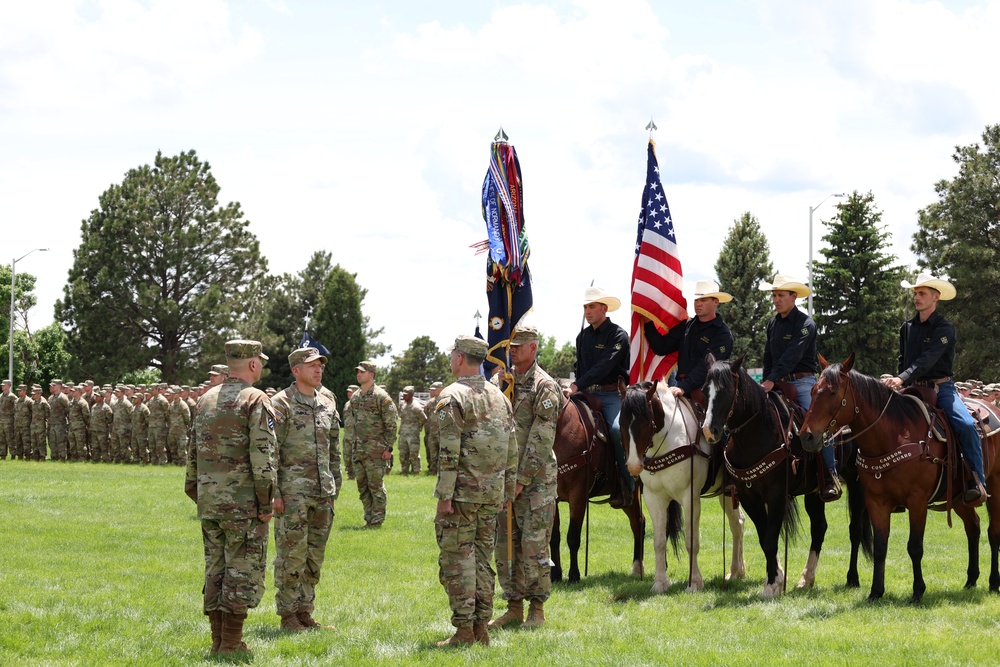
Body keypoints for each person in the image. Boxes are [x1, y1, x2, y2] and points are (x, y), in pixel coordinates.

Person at [184, 340, 275, 655]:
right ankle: (231, 644)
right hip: (242, 503)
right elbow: (262, 458)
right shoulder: (255, 399)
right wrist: (266, 503)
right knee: (241, 570)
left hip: (210, 501)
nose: (261, 366)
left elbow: (193, 453)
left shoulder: (205, 399)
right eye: (259, 361)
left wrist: (197, 492)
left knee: (216, 569)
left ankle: (219, 642)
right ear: (252, 364)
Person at [433, 335, 516, 647]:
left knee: (457, 561)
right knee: (481, 560)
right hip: (491, 495)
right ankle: (481, 627)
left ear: (458, 358)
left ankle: (465, 631)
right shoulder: (500, 397)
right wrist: (506, 491)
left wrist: (444, 495)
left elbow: (448, 452)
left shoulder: (452, 395)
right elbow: (512, 450)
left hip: (462, 497)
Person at [882, 273, 987, 504]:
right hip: (911, 388)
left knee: (967, 425)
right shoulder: (906, 327)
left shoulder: (945, 328)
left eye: (922, 293)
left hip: (941, 389)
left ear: (935, 297)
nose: (917, 298)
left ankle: (976, 480)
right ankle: (889, 483)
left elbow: (927, 360)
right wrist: (900, 380)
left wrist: (901, 378)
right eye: (915, 293)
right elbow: (903, 359)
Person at [489, 326, 560, 631]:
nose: (513, 350)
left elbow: (542, 439)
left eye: (519, 346)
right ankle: (513, 606)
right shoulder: (502, 382)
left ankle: (537, 608)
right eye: (511, 345)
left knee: (533, 546)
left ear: (533, 347)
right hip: (504, 479)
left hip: (536, 481)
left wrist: (520, 480)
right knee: (507, 545)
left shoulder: (545, 386)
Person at [270, 347, 341, 632]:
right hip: (292, 493)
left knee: (314, 556)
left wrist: (335, 485)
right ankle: (288, 615)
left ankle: (304, 611)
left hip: (323, 491)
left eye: (320, 365)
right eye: (312, 365)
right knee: (292, 555)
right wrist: (274, 492)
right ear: (296, 370)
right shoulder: (281, 403)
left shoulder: (328, 400)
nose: (319, 369)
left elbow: (333, 447)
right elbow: (271, 451)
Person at [759, 274, 839, 501]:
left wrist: (772, 380)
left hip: (804, 383)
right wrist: (767, 380)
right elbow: (768, 357)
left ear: (793, 297)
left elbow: (791, 357)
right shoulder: (772, 324)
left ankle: (830, 475)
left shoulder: (806, 324)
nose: (776, 299)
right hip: (776, 382)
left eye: (781, 295)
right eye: (774, 295)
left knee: (817, 425)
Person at [569, 286, 632, 507]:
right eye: (586, 307)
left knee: (616, 430)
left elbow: (604, 367)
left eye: (592, 306)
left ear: (604, 308)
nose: (588, 311)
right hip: (585, 394)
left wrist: (576, 385)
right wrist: (576, 387)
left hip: (611, 394)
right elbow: (582, 368)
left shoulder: (618, 335)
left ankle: (627, 485)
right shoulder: (582, 337)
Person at [643, 280, 734, 400]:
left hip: (709, 393)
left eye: (703, 300)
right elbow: (662, 347)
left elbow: (707, 366)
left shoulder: (723, 334)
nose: (698, 304)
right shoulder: (686, 326)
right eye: (696, 300)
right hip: (681, 388)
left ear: (715, 302)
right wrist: (648, 323)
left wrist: (684, 387)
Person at [344, 360, 397, 528]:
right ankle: (368, 518)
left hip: (376, 451)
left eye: (362, 372)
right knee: (362, 487)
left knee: (376, 487)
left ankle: (377, 521)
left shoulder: (381, 397)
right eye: (357, 371)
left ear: (371, 375)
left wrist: (388, 448)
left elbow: (391, 424)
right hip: (359, 450)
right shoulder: (356, 398)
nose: (358, 374)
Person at [397, 385, 426, 475]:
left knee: (413, 454)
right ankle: (404, 470)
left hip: (413, 434)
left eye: (406, 394)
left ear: (411, 395)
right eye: (403, 394)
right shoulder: (402, 404)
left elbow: (424, 418)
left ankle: (416, 471)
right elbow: (400, 414)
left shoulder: (416, 406)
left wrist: (419, 427)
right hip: (403, 433)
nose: (404, 396)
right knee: (403, 453)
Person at [423, 381, 444, 475]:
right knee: (432, 453)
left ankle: (442, 471)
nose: (431, 392)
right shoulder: (429, 404)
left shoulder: (445, 401)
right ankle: (433, 470)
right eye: (431, 390)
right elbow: (425, 418)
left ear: (440, 389)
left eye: (434, 390)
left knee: (443, 453)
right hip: (432, 433)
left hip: (442, 433)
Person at [47, 379, 70, 461]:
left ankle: (62, 458)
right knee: (52, 442)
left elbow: (68, 410)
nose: (52, 387)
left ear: (59, 386)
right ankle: (54, 457)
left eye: (54, 385)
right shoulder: (50, 398)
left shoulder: (63, 397)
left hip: (60, 424)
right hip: (51, 424)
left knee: (61, 442)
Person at [89, 390, 113, 463]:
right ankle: (96, 460)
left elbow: (110, 419)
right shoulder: (94, 406)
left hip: (102, 431)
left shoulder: (106, 408)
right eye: (95, 396)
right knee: (95, 447)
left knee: (104, 447)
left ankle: (106, 460)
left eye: (98, 396)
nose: (96, 397)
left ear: (102, 397)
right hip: (94, 430)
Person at [30, 385, 49, 461]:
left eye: (34, 394)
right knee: (34, 442)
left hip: (40, 425)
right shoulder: (33, 403)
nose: (33, 395)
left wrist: (45, 420)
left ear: (39, 394)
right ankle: (35, 456)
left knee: (41, 441)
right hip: (34, 425)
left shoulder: (43, 403)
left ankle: (42, 456)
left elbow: (48, 413)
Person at [14, 385, 32, 460]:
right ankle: (20, 457)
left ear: (24, 391)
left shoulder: (29, 401)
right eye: (18, 390)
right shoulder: (16, 401)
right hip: (17, 426)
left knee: (26, 443)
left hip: (26, 426)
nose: (18, 392)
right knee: (18, 443)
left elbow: (33, 412)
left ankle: (28, 457)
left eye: (20, 390)